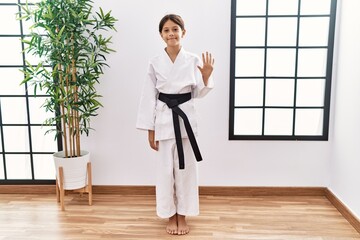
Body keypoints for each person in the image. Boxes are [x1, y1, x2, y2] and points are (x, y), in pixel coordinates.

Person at [136, 14, 214, 235]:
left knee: (187, 171)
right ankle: (170, 214)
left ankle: (183, 214)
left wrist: (206, 77)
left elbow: (198, 92)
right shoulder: (154, 62)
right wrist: (149, 129)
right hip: (163, 119)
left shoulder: (193, 60)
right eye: (166, 30)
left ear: (183, 32)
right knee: (165, 171)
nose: (171, 33)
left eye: (175, 29)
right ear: (161, 35)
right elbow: (148, 96)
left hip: (186, 119)